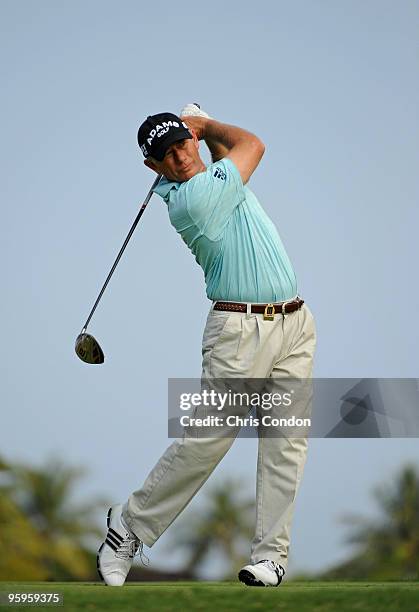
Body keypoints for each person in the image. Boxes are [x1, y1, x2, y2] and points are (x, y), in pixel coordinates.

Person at [97, 104, 317, 587]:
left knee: (286, 443)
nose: (180, 157)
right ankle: (127, 526)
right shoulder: (192, 199)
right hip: (238, 332)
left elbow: (228, 159)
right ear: (152, 167)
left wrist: (203, 136)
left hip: (295, 323)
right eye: (166, 154)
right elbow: (252, 145)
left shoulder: (215, 178)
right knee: (207, 442)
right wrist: (205, 124)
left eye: (182, 143)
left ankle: (270, 557)